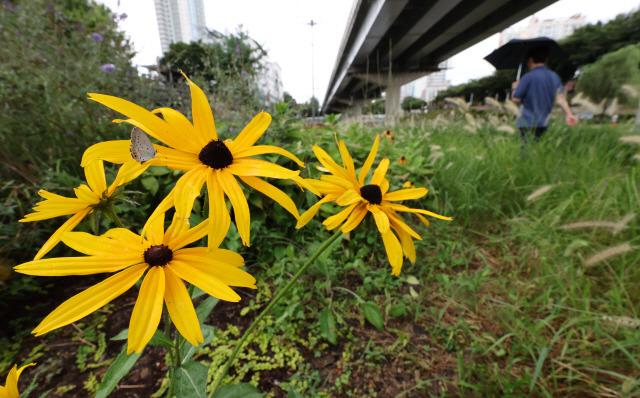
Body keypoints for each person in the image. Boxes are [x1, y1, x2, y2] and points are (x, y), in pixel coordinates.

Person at [511, 46, 578, 143]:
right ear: (546, 59)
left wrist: (515, 88)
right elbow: (560, 99)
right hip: (543, 122)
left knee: (526, 151)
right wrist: (569, 114)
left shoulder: (527, 77)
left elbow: (516, 99)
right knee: (538, 148)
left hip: (527, 122)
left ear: (530, 59)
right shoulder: (554, 77)